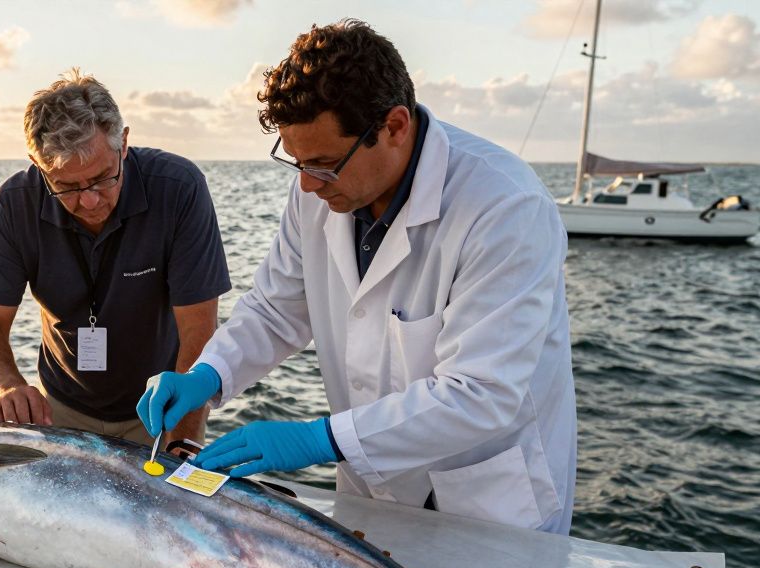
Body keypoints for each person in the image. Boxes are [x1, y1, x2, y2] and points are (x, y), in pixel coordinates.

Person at [138, 20, 577, 534]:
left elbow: (481, 393)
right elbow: (277, 307)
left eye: (323, 163)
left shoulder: (504, 206)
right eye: (296, 161)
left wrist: (320, 440)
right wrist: (208, 375)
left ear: (394, 126)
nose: (306, 183)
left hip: (487, 501)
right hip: (376, 496)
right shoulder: (318, 189)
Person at [0, 70, 230, 445]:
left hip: (162, 410)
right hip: (58, 410)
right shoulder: (12, 204)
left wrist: (181, 439)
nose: (89, 201)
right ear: (37, 164)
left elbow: (198, 331)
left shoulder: (180, 188)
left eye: (104, 177)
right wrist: (6, 386)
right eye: (66, 187)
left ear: (124, 143)